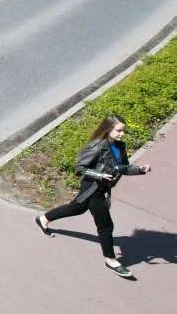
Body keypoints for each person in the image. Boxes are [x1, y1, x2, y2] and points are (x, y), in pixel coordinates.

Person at [35, 115, 151, 278]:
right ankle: (111, 260)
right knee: (106, 226)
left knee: (77, 208)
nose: (122, 134)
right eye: (119, 130)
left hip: (102, 187)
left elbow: (123, 167)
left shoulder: (120, 146)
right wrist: (100, 175)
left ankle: (43, 219)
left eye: (123, 130)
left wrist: (139, 169)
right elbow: (80, 167)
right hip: (93, 188)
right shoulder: (96, 146)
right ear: (108, 129)